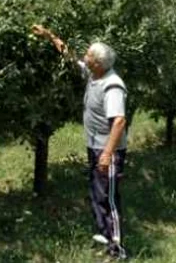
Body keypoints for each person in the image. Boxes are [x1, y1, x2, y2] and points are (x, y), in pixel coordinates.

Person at [31, 25, 129, 261]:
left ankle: (117, 249)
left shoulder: (112, 85)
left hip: (109, 150)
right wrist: (49, 36)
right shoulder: (94, 74)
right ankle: (104, 239)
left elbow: (119, 122)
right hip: (95, 146)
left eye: (88, 55)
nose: (84, 57)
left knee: (110, 198)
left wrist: (107, 154)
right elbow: (71, 57)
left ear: (97, 63)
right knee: (97, 194)